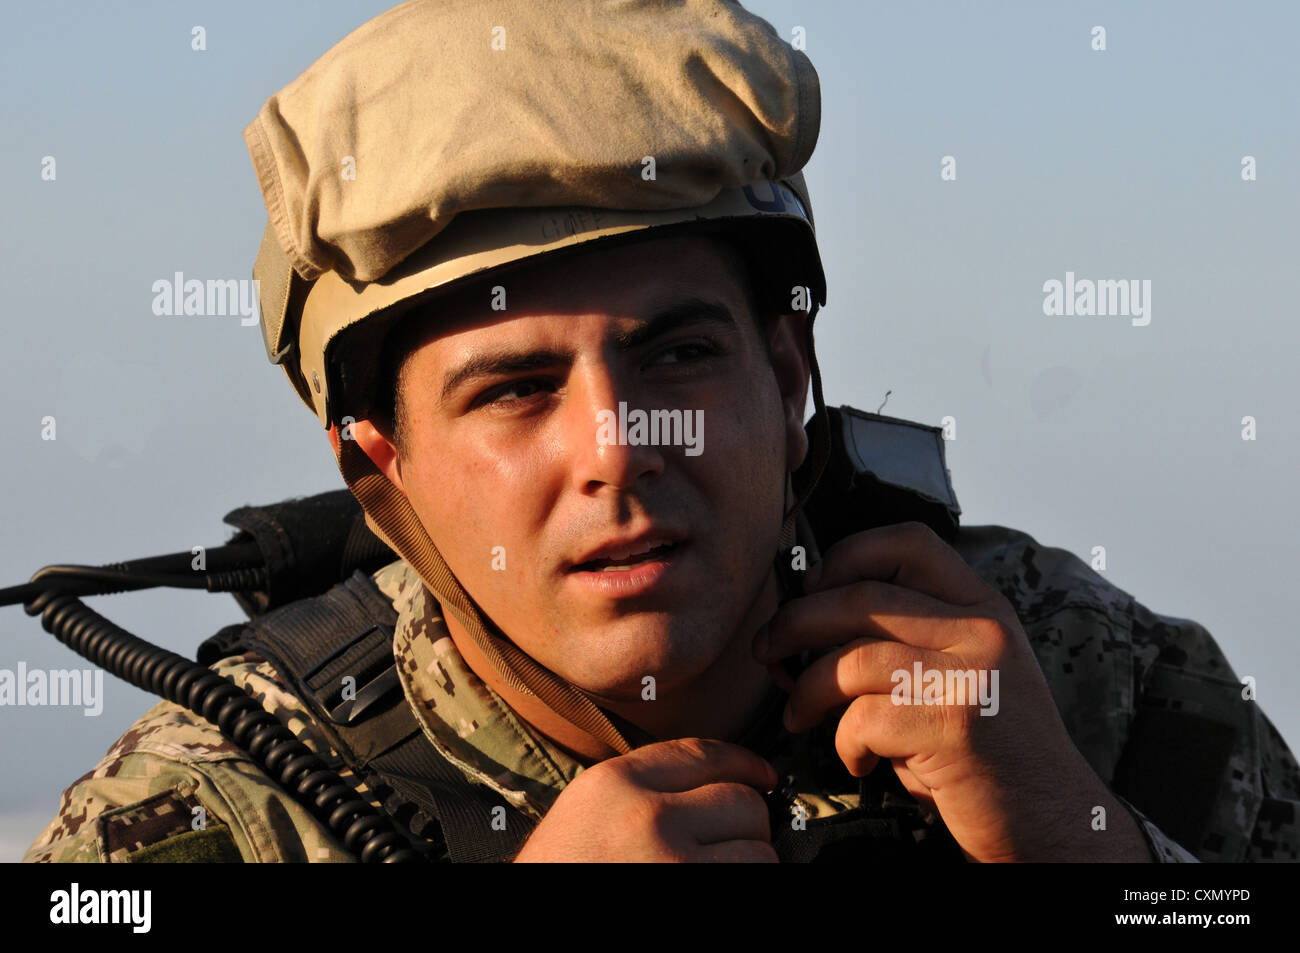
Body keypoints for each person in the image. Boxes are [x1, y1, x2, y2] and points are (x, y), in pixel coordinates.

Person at [24, 0, 1299, 864]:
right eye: (514, 389)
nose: (618, 447)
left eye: (678, 354)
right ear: (377, 471)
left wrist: (1090, 842)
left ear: (787, 375)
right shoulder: (217, 809)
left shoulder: (1083, 680)